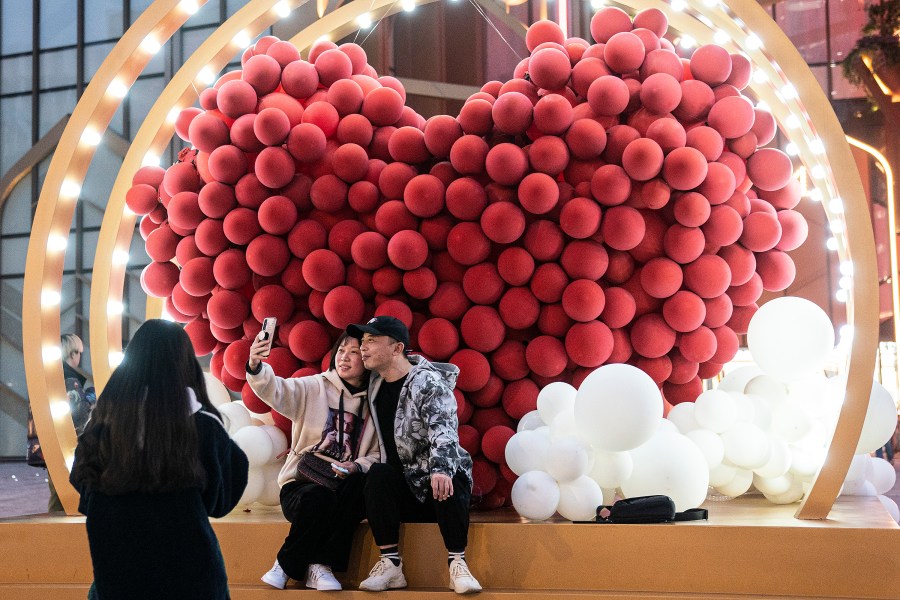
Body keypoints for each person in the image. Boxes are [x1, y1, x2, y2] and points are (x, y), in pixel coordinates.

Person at [69, 319, 249, 600]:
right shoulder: (202, 426)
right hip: (191, 581)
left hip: (118, 578)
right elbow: (221, 500)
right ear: (185, 363)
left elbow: (83, 487)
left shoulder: (102, 426)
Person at [347, 316, 482, 594]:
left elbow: (443, 429)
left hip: (436, 488)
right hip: (403, 488)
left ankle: (458, 563)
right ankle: (391, 565)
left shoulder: (427, 382)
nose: (363, 347)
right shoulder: (375, 383)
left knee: (451, 474)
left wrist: (440, 469)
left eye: (372, 340)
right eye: (363, 341)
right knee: (378, 475)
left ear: (397, 348)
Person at [247, 331, 381, 591]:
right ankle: (293, 565)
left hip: (340, 485)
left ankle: (316, 566)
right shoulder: (314, 387)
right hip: (301, 485)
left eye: (353, 352)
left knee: (358, 487)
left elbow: (377, 455)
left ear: (366, 359)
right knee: (319, 498)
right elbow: (276, 390)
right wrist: (256, 366)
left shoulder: (374, 404)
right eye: (341, 350)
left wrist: (356, 466)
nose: (344, 357)